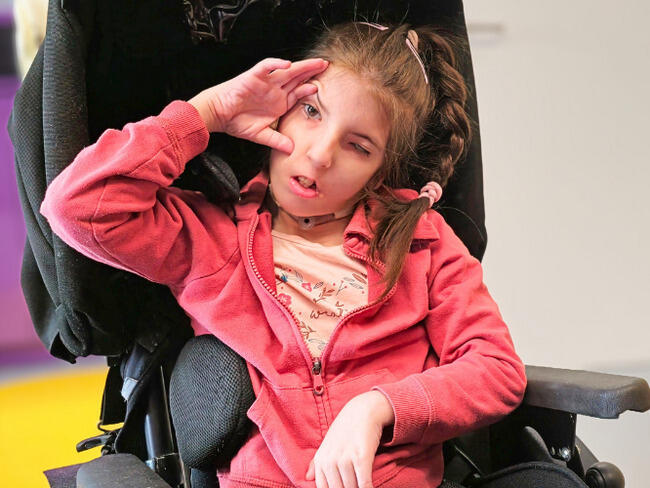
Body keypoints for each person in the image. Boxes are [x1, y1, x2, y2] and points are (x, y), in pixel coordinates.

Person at [40, 21, 526, 488]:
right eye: (311, 112)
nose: (319, 155)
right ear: (280, 111)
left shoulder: (422, 240)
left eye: (358, 147)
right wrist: (207, 113)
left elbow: (496, 369)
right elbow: (75, 207)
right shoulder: (213, 239)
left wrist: (378, 408)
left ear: (380, 172)